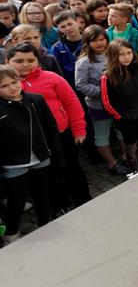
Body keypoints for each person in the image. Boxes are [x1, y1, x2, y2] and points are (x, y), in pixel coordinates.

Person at [6, 43, 91, 212]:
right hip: (34, 142)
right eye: (19, 60)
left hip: (62, 134)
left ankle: (84, 201)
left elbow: (72, 103)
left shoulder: (52, 77)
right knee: (49, 176)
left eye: (31, 60)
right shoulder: (7, 86)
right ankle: (60, 205)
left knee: (72, 169)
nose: (25, 64)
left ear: (38, 60)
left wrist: (78, 128)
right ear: (7, 61)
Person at [0, 65, 63, 245]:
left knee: (43, 195)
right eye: (4, 86)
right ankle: (11, 234)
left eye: (14, 82)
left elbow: (51, 128)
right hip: (13, 163)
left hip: (41, 156)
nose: (12, 87)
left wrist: (57, 155)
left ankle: (45, 225)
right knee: (16, 202)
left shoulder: (36, 100)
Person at [75, 25, 130, 176]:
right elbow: (81, 85)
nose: (99, 43)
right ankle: (112, 163)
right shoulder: (84, 62)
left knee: (121, 132)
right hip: (98, 105)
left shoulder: (113, 54)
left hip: (117, 104)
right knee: (102, 135)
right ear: (87, 42)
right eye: (94, 41)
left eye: (101, 39)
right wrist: (105, 92)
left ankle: (126, 157)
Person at [101, 39, 138, 173]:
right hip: (127, 121)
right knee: (132, 147)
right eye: (121, 54)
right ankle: (136, 172)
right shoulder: (108, 76)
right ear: (114, 56)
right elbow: (107, 102)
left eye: (129, 53)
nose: (126, 57)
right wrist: (122, 116)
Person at [50, 10, 85, 86]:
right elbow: (56, 71)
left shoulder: (88, 43)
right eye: (63, 27)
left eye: (70, 24)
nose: (68, 28)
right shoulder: (57, 48)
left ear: (77, 22)